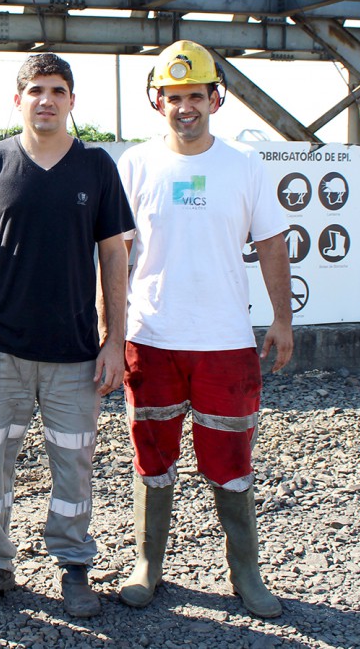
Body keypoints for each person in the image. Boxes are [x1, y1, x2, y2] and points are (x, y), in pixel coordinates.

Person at [0, 53, 134, 618]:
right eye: (36, 89)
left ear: (72, 100)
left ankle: (74, 563)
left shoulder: (97, 167)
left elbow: (113, 255)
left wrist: (113, 341)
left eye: (58, 89)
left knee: (74, 463)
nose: (47, 99)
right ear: (18, 99)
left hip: (75, 354)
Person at [115, 40, 293, 618]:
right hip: (151, 338)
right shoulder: (135, 165)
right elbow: (114, 256)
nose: (185, 106)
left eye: (196, 95)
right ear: (157, 101)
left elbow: (270, 245)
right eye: (174, 96)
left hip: (225, 344)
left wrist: (283, 321)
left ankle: (246, 575)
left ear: (215, 99)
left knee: (231, 459)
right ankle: (148, 565)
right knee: (152, 454)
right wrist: (107, 332)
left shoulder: (244, 166)